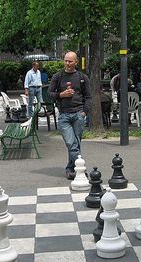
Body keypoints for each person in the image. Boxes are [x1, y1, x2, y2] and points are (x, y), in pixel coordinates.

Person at [49, 51, 92, 180]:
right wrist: (61, 95)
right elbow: (49, 94)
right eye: (66, 61)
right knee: (71, 143)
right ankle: (81, 169)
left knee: (76, 144)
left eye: (70, 61)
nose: (67, 63)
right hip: (64, 115)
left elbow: (88, 97)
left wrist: (84, 112)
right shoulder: (58, 77)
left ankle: (70, 168)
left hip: (78, 113)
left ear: (76, 62)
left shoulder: (82, 77)